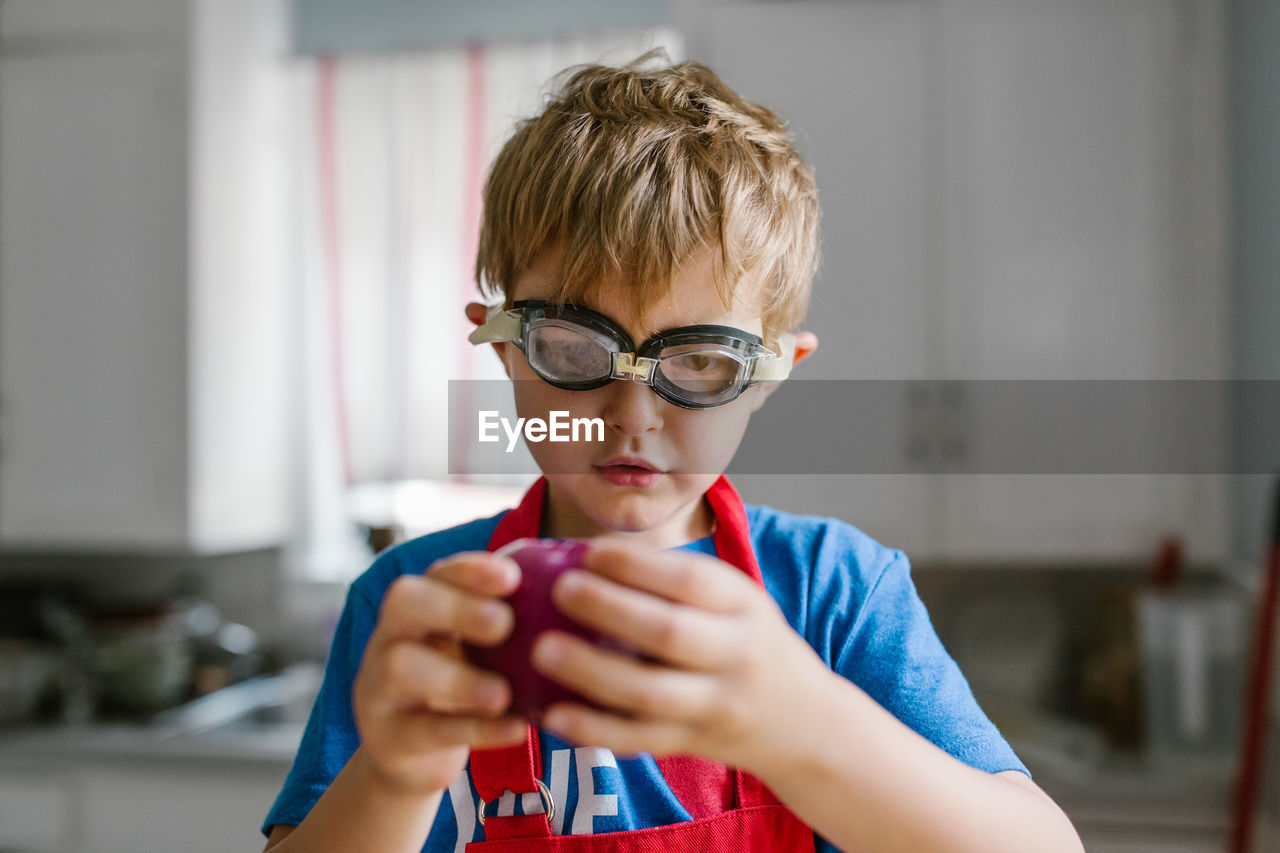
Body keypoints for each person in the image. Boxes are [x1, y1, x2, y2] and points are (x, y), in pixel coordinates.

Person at [262, 53, 1083, 852]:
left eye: (699, 362)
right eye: (575, 351)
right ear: (505, 346)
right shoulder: (414, 605)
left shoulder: (837, 596)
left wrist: (805, 724)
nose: (632, 417)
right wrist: (397, 775)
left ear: (769, 377)